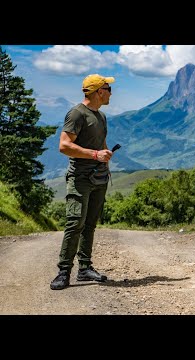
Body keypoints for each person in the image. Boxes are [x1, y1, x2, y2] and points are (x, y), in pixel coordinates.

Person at [50, 74, 116, 290]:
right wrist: (96, 155)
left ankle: (85, 268)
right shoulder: (77, 113)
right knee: (75, 222)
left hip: (99, 178)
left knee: (90, 224)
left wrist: (104, 157)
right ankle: (63, 272)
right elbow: (64, 146)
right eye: (108, 88)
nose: (111, 92)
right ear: (99, 91)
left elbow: (101, 142)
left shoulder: (101, 116)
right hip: (80, 178)